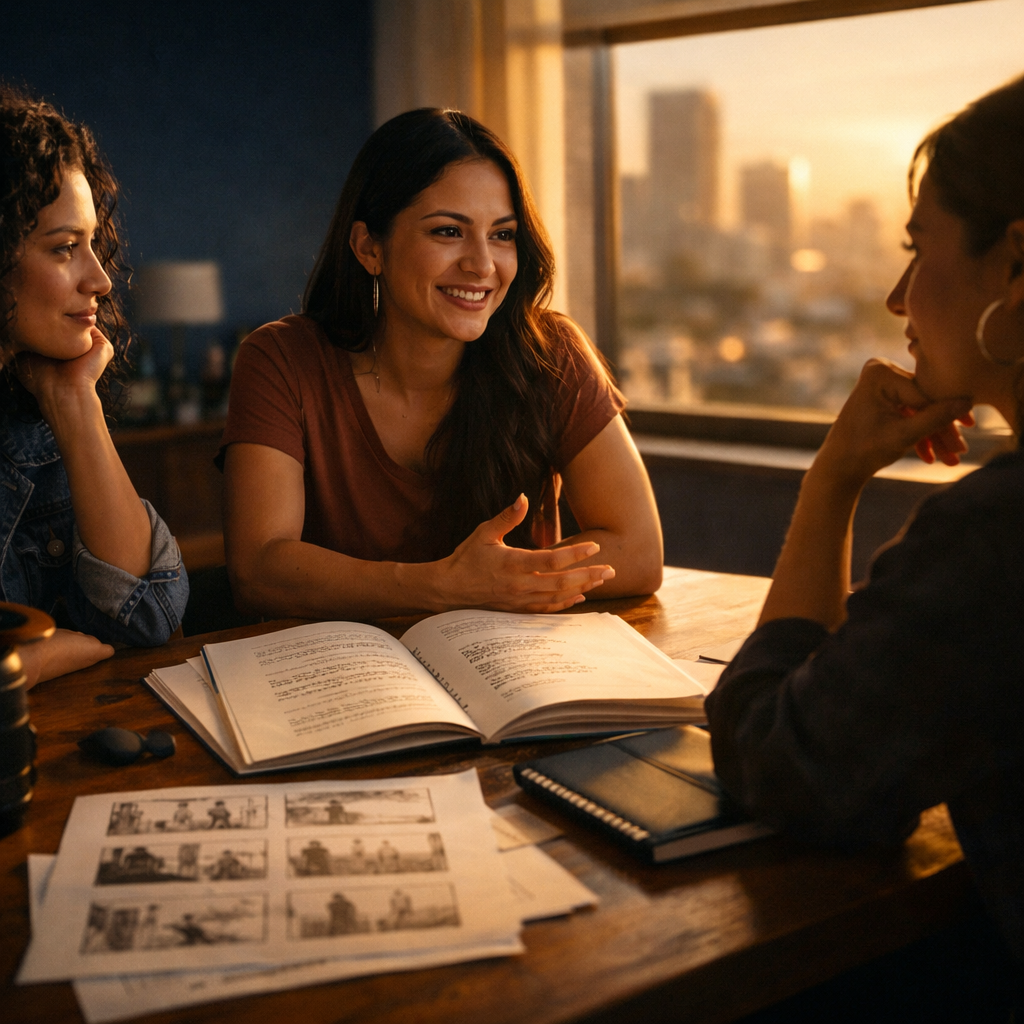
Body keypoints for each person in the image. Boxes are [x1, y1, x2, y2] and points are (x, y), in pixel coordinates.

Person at [706, 75, 1024, 1008]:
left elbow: (787, 763)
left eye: (917, 248)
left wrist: (832, 479)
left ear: (1015, 265)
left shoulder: (995, 536)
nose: (896, 296)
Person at [221, 108, 662, 620]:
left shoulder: (551, 352)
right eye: (449, 232)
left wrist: (490, 584)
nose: (482, 265)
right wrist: (445, 586)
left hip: (502, 673)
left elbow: (638, 553)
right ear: (369, 247)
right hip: (335, 679)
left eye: (502, 234)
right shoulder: (281, 360)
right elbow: (258, 570)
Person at [0, 84, 188, 685]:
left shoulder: (35, 411)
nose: (101, 279)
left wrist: (75, 403)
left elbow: (148, 612)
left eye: (92, 244)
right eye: (63, 249)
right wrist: (26, 664)